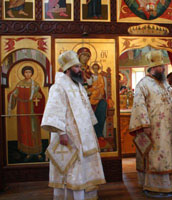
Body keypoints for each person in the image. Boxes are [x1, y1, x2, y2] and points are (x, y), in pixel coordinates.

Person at [41, 50, 105, 200]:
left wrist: (91, 131)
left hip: (84, 136)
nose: (80, 70)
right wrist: (61, 133)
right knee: (72, 169)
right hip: (69, 135)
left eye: (80, 67)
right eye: (76, 67)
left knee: (83, 168)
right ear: (68, 69)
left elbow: (87, 111)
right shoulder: (58, 87)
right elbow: (54, 111)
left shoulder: (78, 86)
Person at [129, 50, 172, 196]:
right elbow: (139, 105)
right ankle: (156, 186)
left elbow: (166, 98)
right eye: (161, 67)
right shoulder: (143, 84)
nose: (164, 69)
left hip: (169, 128)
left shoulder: (164, 82)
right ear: (153, 68)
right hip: (155, 129)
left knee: (170, 154)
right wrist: (145, 125)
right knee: (157, 156)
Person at [8, 66, 45, 162]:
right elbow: (12, 94)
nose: (27, 74)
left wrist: (39, 95)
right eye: (26, 72)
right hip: (22, 110)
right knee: (24, 129)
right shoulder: (19, 84)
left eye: (29, 72)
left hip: (32, 111)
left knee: (34, 130)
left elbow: (41, 96)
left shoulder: (35, 85)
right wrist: (14, 96)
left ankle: (36, 151)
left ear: (32, 73)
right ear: (23, 73)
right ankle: (26, 150)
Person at [88, 63, 107, 138]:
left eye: (97, 68)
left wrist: (99, 95)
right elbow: (88, 87)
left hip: (100, 96)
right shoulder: (89, 77)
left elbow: (102, 87)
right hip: (91, 97)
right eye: (94, 68)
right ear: (92, 69)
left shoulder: (101, 77)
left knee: (101, 111)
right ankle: (93, 134)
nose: (95, 69)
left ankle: (99, 134)